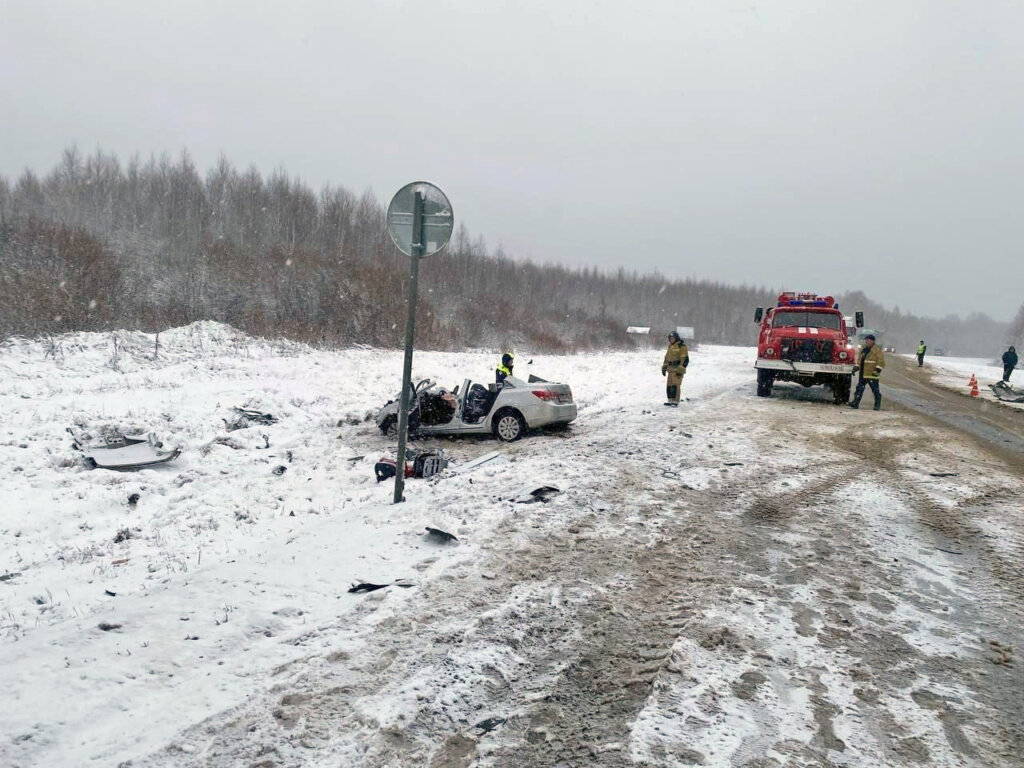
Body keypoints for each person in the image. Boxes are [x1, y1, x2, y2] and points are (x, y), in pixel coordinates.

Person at [849, 334, 885, 410]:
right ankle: (855, 403)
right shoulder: (864, 349)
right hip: (863, 373)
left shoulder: (877, 350)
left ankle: (877, 405)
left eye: (868, 340)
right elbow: (860, 360)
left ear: (872, 341)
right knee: (859, 389)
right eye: (866, 340)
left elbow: (881, 361)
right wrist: (856, 367)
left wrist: (877, 370)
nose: (866, 341)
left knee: (875, 390)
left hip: (872, 374)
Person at [661, 332, 689, 406]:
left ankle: (675, 401)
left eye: (672, 338)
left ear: (676, 338)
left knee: (675, 385)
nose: (671, 340)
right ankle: (670, 400)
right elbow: (667, 358)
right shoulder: (670, 346)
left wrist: (680, 369)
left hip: (677, 370)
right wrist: (664, 367)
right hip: (670, 370)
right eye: (670, 338)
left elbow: (685, 359)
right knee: (669, 386)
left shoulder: (681, 346)